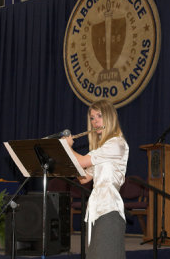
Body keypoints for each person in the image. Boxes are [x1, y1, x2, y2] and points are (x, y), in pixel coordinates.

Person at [65, 100, 129, 259]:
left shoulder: (116, 144)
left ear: (110, 118)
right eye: (92, 118)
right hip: (97, 210)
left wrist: (66, 148)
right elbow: (84, 178)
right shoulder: (101, 149)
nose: (95, 122)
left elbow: (82, 161)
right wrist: (63, 160)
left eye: (99, 116)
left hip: (110, 210)